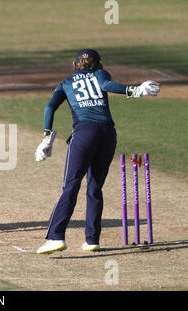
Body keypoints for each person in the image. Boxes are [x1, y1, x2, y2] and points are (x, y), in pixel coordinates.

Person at [35, 49, 160, 254]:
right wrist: (134, 90)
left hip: (84, 133)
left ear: (76, 65)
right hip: (107, 134)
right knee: (95, 188)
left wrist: (47, 137)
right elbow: (106, 86)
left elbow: (50, 107)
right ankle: (92, 240)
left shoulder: (66, 82)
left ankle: (56, 237)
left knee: (71, 185)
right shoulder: (101, 74)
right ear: (98, 64)